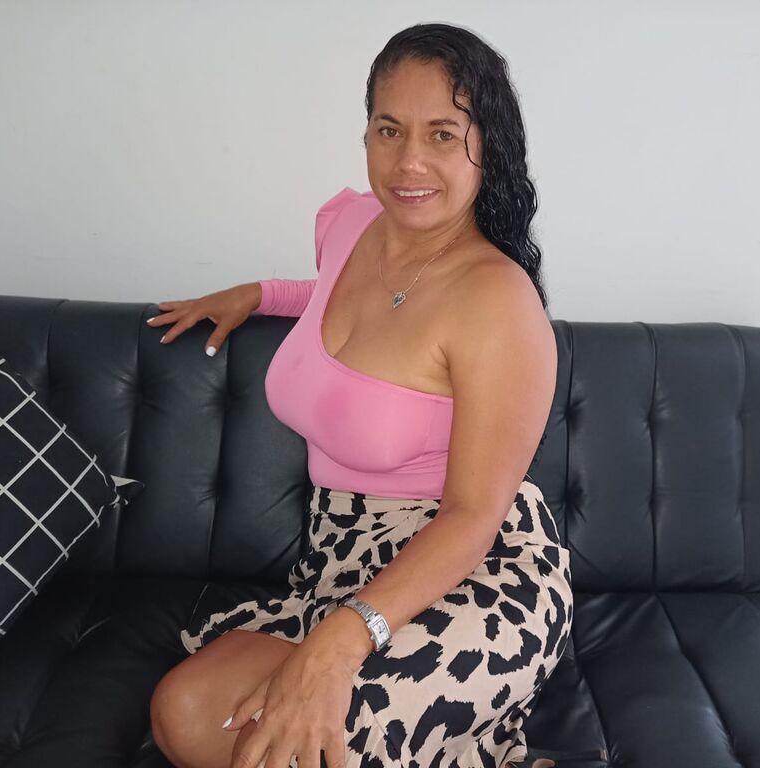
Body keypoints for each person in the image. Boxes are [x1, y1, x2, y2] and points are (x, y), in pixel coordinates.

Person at [146, 22, 572, 768]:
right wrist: (260, 294)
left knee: (298, 750)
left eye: (443, 134)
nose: (409, 161)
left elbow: (473, 516)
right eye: (389, 129)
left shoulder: (498, 304)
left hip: (472, 569)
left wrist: (339, 644)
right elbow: (347, 302)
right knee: (183, 714)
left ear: (488, 145)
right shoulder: (353, 222)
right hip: (341, 562)